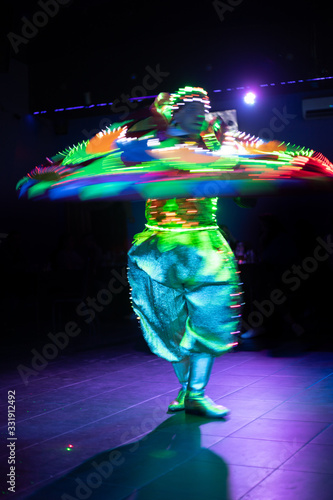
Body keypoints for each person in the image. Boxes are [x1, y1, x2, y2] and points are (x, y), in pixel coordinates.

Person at [127, 87, 243, 418]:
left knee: (209, 321)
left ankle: (197, 393)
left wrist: (226, 136)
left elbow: (236, 164)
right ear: (173, 112)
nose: (203, 115)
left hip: (204, 246)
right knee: (168, 325)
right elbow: (126, 155)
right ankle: (185, 391)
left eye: (206, 109)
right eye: (194, 108)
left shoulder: (216, 146)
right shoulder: (151, 146)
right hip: (159, 248)